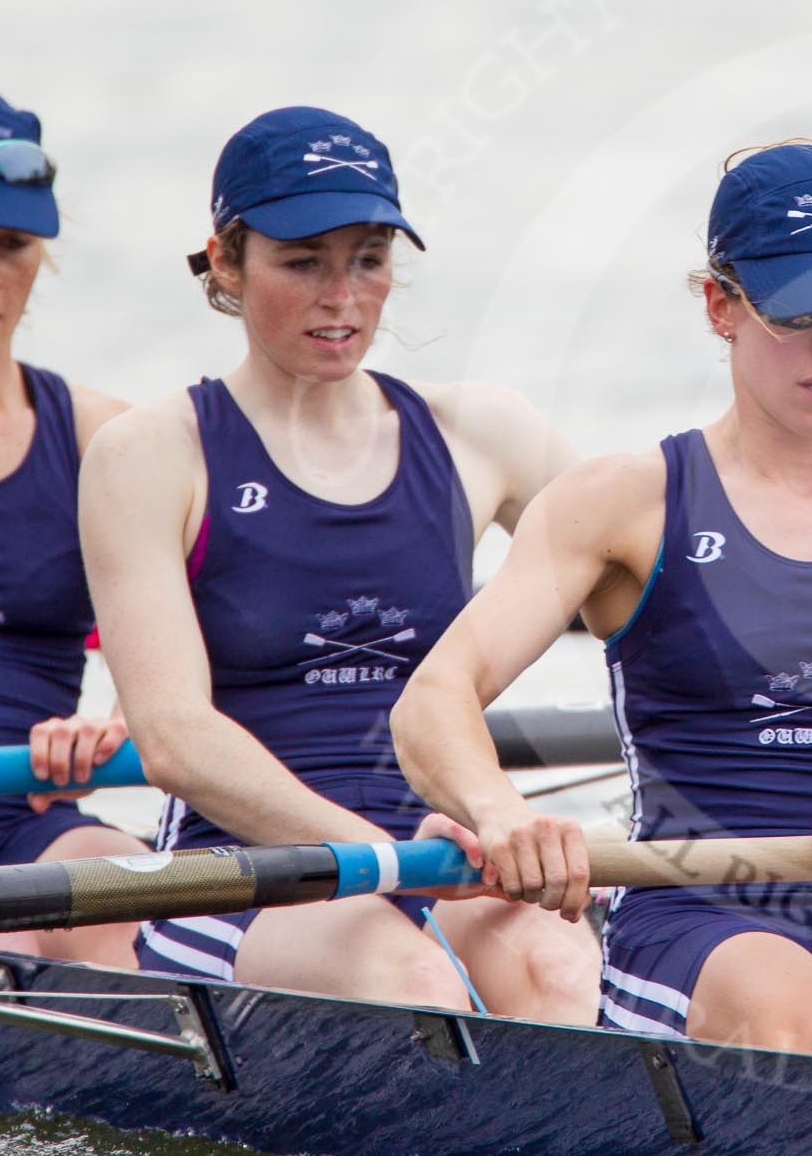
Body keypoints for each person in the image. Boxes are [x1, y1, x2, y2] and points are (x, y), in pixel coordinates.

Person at [390, 142, 812, 1072]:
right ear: (721, 304)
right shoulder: (624, 503)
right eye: (799, 312)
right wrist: (501, 811)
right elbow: (433, 700)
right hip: (691, 912)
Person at [78, 105, 601, 1019]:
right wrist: (385, 865)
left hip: (445, 843)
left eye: (367, 259)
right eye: (302, 262)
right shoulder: (149, 455)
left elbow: (679, 606)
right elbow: (173, 742)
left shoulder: (482, 434)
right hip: (243, 866)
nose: (343, 296)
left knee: (561, 976)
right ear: (228, 262)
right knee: (414, 983)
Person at [0, 87, 147, 967]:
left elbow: (200, 645)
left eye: (11, 245)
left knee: (143, 913)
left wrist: (124, 723)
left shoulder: (104, 439)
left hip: (40, 819)